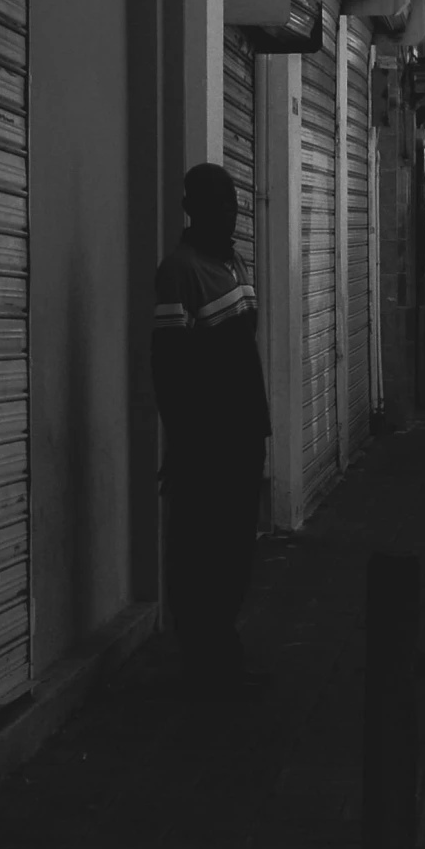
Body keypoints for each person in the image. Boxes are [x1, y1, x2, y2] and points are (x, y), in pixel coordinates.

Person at [151, 164, 274, 697]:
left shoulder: (234, 261)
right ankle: (203, 660)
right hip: (207, 440)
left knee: (232, 551)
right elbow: (169, 363)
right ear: (191, 209)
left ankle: (221, 650)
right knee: (199, 552)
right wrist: (181, 441)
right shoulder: (179, 270)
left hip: (244, 432)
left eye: (233, 202)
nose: (230, 212)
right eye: (217, 203)